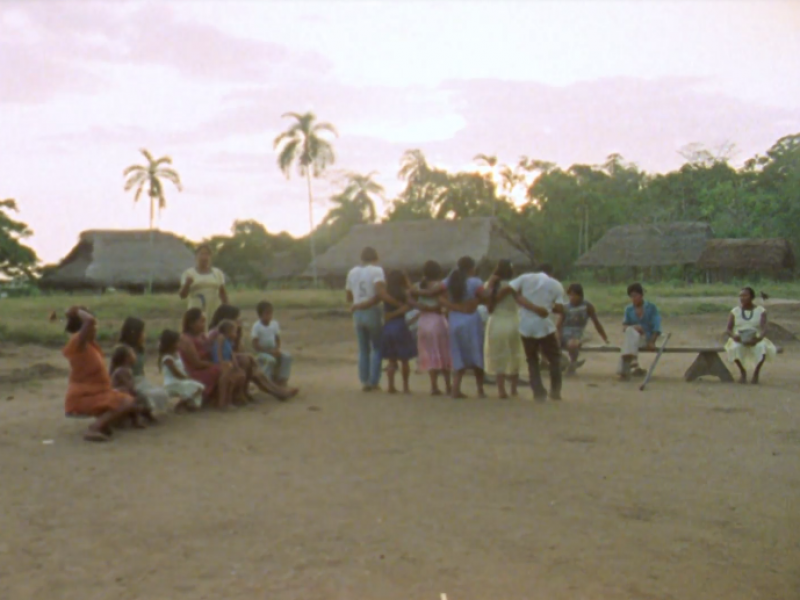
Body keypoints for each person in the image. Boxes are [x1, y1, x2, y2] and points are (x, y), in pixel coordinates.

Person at [62, 306, 137, 442]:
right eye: (93, 327)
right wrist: (76, 311)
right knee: (126, 401)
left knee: (125, 395)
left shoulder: (89, 345)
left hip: (95, 392)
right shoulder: (78, 343)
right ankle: (94, 428)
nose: (96, 329)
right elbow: (89, 320)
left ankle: (104, 424)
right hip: (83, 397)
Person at [209, 304, 299, 401]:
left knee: (252, 366)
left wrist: (238, 334)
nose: (239, 321)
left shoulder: (229, 334)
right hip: (222, 361)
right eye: (236, 318)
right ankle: (277, 392)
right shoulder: (216, 334)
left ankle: (276, 391)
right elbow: (224, 353)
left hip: (231, 359)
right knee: (248, 362)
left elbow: (239, 349)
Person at [508, 270, 565, 401]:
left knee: (532, 359)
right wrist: (546, 308)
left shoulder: (524, 278)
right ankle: (555, 391)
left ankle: (538, 392)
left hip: (525, 326)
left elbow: (511, 290)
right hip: (545, 326)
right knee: (554, 359)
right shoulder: (556, 284)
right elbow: (560, 309)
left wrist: (531, 306)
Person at [436, 256, 486, 399]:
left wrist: (454, 307)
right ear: (472, 268)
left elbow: (438, 295)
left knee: (457, 354)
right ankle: (480, 390)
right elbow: (484, 295)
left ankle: (455, 389)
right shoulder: (475, 282)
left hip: (454, 320)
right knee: (476, 352)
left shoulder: (449, 281)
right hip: (471, 320)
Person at [345, 246, 388, 392]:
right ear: (375, 258)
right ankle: (374, 380)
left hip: (357, 311)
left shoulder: (352, 272)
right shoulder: (377, 271)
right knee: (377, 347)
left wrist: (359, 303)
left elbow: (349, 296)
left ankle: (364, 381)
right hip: (371, 310)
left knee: (363, 349)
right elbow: (380, 293)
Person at [408, 260, 452, 396]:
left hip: (423, 321)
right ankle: (448, 385)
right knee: (444, 353)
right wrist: (432, 308)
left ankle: (433, 386)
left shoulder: (417, 286)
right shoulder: (440, 286)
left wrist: (419, 306)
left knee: (430, 354)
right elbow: (443, 303)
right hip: (437, 320)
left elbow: (408, 297)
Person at [482, 260, 524, 399]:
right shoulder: (516, 286)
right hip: (513, 321)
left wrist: (491, 282)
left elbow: (489, 306)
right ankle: (513, 389)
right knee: (514, 354)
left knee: (499, 355)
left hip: (497, 321)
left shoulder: (490, 285)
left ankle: (501, 390)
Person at [178, 308, 236, 408]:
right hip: (197, 371)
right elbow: (196, 363)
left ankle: (229, 398)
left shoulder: (201, 336)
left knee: (237, 362)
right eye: (201, 321)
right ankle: (222, 402)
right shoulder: (186, 339)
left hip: (208, 365)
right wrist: (216, 364)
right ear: (191, 324)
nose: (204, 324)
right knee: (225, 368)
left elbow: (212, 350)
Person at [725, 287, 777, 384]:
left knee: (762, 348)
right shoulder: (735, 311)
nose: (742, 298)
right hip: (739, 337)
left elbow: (764, 328)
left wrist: (759, 338)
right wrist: (733, 336)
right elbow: (728, 329)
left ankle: (756, 373)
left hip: (755, 337)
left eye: (745, 295)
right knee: (733, 348)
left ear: (752, 297)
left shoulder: (761, 311)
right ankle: (743, 372)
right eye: (741, 296)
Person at [118, 317, 170, 411]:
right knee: (147, 395)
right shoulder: (123, 350)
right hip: (129, 382)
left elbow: (141, 371)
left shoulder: (139, 350)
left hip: (141, 380)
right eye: (142, 332)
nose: (144, 335)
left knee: (161, 393)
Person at [378, 270, 418, 394]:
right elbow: (412, 301)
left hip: (388, 326)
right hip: (400, 325)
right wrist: (408, 282)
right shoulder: (404, 293)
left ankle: (391, 386)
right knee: (404, 359)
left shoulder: (387, 293)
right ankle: (405, 386)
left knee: (391, 359)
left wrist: (390, 315)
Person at [558, 283, 610, 375]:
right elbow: (559, 324)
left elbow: (596, 323)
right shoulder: (565, 307)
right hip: (565, 331)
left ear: (580, 295)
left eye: (574, 295)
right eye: (570, 295)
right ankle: (563, 362)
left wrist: (605, 337)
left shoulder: (587, 306)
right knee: (547, 342)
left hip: (577, 332)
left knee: (572, 345)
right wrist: (557, 335)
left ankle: (573, 363)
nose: (572, 297)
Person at [179, 244, 228, 331]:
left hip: (214, 309)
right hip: (197, 309)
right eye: (201, 254)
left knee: (214, 332)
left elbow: (223, 293)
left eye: (207, 254)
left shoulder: (217, 273)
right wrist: (187, 284)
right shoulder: (189, 273)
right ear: (196, 256)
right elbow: (182, 295)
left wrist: (227, 310)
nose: (204, 257)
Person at [619, 283, 661, 380]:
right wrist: (635, 327)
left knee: (628, 341)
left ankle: (626, 367)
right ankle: (633, 361)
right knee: (630, 331)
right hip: (633, 340)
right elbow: (624, 326)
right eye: (631, 296)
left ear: (641, 295)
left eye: (635, 296)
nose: (633, 299)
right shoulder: (628, 309)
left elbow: (657, 327)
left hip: (645, 338)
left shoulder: (651, 308)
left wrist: (651, 341)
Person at [158, 329, 204, 412]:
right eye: (177, 342)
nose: (179, 344)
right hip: (172, 383)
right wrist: (187, 377)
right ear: (171, 344)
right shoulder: (167, 358)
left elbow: (182, 369)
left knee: (199, 387)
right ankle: (181, 404)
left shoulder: (177, 354)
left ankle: (190, 404)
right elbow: (176, 373)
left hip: (180, 380)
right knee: (197, 387)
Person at [109, 344, 154, 427]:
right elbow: (128, 385)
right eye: (133, 353)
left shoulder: (127, 369)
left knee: (138, 397)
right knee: (137, 399)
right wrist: (135, 393)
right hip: (119, 394)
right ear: (127, 358)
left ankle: (139, 418)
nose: (135, 355)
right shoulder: (122, 370)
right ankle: (137, 420)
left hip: (124, 392)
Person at [251, 301, 293, 385]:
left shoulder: (274, 324)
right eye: (266, 313)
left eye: (270, 313)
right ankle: (266, 380)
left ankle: (282, 379)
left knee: (287, 357)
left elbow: (277, 338)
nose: (269, 316)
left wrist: (277, 348)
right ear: (260, 315)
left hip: (273, 350)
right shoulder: (256, 326)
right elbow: (255, 345)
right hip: (261, 352)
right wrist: (268, 351)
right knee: (270, 360)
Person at [208, 319, 246, 407]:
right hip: (219, 361)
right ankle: (224, 401)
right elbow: (219, 350)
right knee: (229, 373)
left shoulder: (230, 342)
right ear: (228, 331)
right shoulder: (221, 337)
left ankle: (234, 398)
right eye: (234, 332)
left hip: (227, 362)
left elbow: (232, 355)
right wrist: (221, 362)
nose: (236, 334)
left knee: (241, 375)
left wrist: (237, 367)